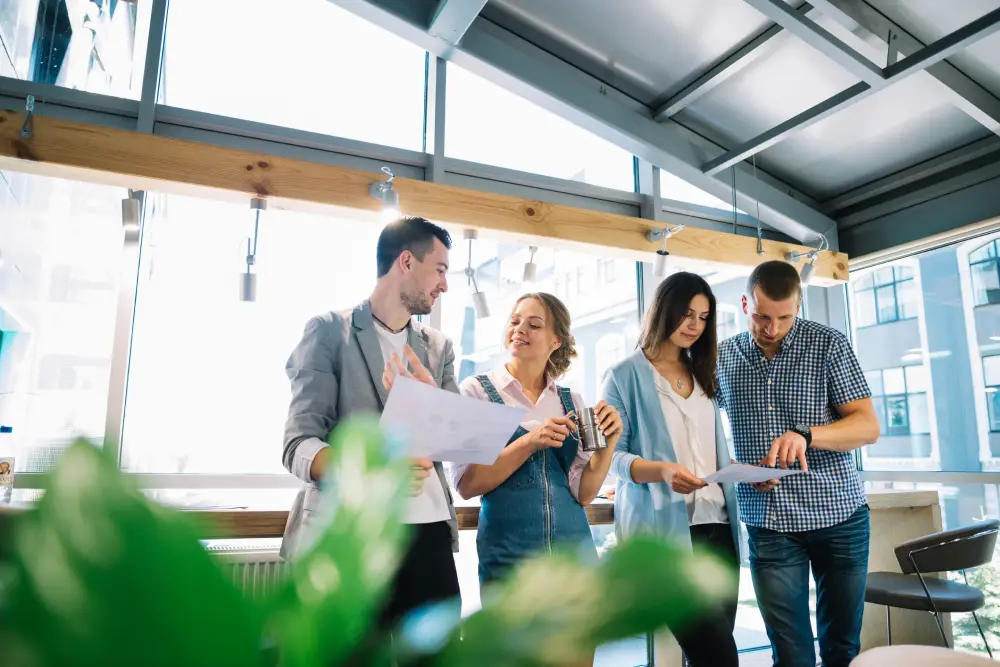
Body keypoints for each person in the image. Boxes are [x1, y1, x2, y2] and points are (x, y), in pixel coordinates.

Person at [280, 216, 462, 641]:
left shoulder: (439, 347)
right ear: (405, 262)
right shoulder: (328, 332)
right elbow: (297, 445)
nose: (444, 285)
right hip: (356, 537)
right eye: (440, 270)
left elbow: (453, 438)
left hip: (428, 534)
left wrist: (431, 398)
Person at [716, 260, 880, 667]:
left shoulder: (828, 344)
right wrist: (739, 467)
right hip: (769, 524)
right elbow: (697, 427)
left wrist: (806, 435)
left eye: (785, 317)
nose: (772, 328)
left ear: (799, 306)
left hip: (839, 516)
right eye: (761, 317)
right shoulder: (721, 357)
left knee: (841, 647)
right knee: (791, 654)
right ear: (743, 304)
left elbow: (867, 427)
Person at [603, 272, 741, 667]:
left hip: (719, 531)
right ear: (664, 311)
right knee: (720, 659)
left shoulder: (704, 372)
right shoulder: (624, 375)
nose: (694, 325)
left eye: (703, 316)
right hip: (665, 539)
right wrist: (663, 471)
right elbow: (615, 456)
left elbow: (713, 452)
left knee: (708, 655)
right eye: (686, 314)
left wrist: (744, 475)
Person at [451, 292, 622, 595]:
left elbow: (583, 493)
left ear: (556, 341)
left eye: (534, 324)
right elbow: (466, 484)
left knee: (579, 643)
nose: (519, 329)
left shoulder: (571, 400)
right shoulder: (476, 391)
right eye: (515, 321)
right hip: (510, 562)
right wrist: (530, 442)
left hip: (575, 558)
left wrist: (609, 444)